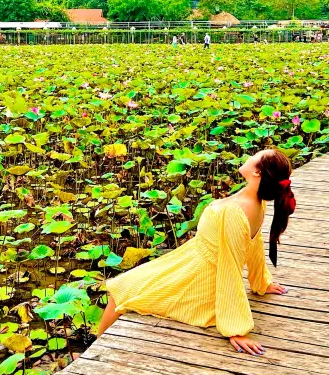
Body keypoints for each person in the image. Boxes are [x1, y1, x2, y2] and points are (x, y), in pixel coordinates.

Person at [97, 148, 295, 354]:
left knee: (120, 289)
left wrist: (235, 328)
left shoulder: (236, 210)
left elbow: (231, 264)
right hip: (189, 258)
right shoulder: (256, 202)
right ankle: (97, 346)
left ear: (257, 172)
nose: (249, 156)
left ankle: (95, 350)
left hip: (198, 278)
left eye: (256, 156)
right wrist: (261, 281)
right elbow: (254, 243)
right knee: (125, 285)